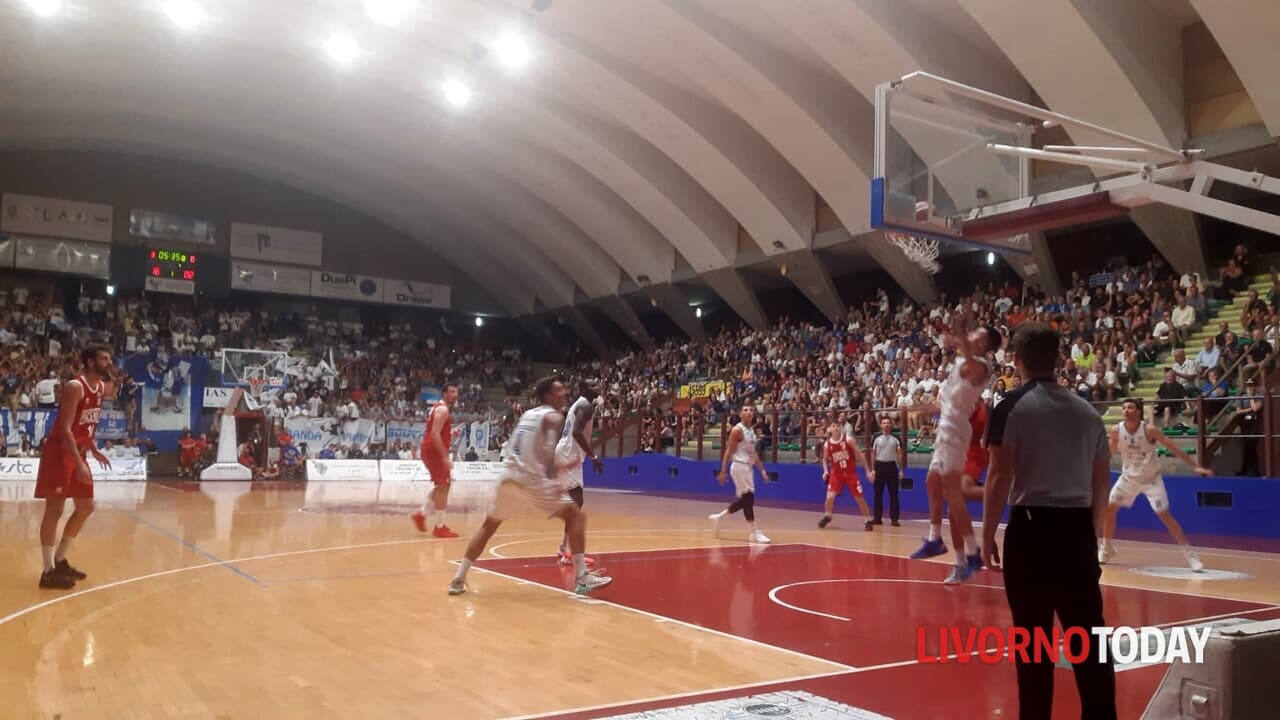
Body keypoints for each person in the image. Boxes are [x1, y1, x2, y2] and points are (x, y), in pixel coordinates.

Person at [982, 322, 1116, 720]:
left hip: (1031, 530)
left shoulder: (1008, 406)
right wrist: (1089, 532)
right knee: (1089, 639)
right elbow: (1101, 482)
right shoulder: (1089, 412)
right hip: (1076, 531)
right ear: (1057, 359)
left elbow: (999, 476)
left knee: (1033, 642)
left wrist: (988, 534)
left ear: (1016, 360)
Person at [448, 376, 612, 596]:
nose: (564, 392)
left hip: (507, 475)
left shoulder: (527, 414)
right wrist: (558, 473)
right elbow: (547, 455)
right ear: (547, 396)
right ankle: (582, 577)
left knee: (489, 526)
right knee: (577, 517)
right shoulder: (553, 417)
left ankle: (458, 578)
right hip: (529, 478)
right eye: (558, 390)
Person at [911, 323, 1002, 585]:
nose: (971, 335)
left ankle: (972, 554)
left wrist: (962, 330)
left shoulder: (980, 366)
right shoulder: (965, 361)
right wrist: (922, 409)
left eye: (977, 334)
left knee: (952, 492)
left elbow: (967, 352)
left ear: (984, 345)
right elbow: (946, 402)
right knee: (932, 482)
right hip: (946, 428)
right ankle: (935, 538)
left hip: (955, 432)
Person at [34, 345, 115, 590]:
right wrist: (78, 461)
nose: (109, 362)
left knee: (86, 506)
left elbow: (85, 426)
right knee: (55, 509)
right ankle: (47, 571)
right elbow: (67, 428)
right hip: (60, 451)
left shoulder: (100, 387)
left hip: (78, 451)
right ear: (90, 362)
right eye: (104, 358)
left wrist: (91, 448)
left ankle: (60, 559)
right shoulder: (75, 387)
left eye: (109, 358)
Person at [1098, 398, 1212, 571]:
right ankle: (1107, 548)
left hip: (1152, 480)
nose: (1125, 410)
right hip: (1128, 478)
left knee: (1164, 515)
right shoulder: (1116, 430)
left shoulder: (1149, 430)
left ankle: (1191, 555)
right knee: (1109, 509)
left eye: (1130, 407)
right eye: (1123, 408)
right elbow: (1110, 452)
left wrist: (1196, 466)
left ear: (1138, 412)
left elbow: (1172, 447)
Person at [553, 381, 605, 565]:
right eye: (592, 385)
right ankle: (568, 551)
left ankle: (563, 548)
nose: (597, 387)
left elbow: (567, 429)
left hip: (566, 452)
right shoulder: (585, 406)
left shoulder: (578, 405)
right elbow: (575, 432)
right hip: (570, 454)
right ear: (583, 389)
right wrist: (594, 456)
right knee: (576, 503)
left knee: (575, 503)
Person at [709, 404, 771, 544]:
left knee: (746, 500)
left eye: (751, 410)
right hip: (738, 466)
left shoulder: (751, 431)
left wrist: (762, 470)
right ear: (740, 414)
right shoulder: (737, 430)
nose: (749, 412)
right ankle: (753, 532)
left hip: (747, 468)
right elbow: (728, 451)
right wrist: (723, 471)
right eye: (745, 410)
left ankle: (719, 518)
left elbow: (753, 453)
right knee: (749, 499)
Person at [412, 383, 459, 538]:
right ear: (444, 393)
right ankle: (439, 527)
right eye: (452, 391)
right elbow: (434, 434)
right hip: (434, 451)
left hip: (432, 450)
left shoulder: (439, 408)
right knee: (443, 485)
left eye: (456, 392)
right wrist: (444, 456)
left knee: (444, 485)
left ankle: (421, 514)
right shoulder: (442, 409)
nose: (455, 394)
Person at [818, 422, 873, 530]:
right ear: (829, 429)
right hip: (836, 474)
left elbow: (860, 456)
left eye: (838, 426)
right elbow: (824, 459)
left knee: (859, 498)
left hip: (850, 473)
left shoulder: (848, 440)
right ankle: (828, 515)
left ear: (841, 428)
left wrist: (867, 471)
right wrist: (825, 471)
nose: (836, 428)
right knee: (829, 497)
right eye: (833, 426)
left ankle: (867, 520)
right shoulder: (827, 444)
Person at [868, 416, 901, 527]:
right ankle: (877, 518)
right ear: (881, 425)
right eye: (884, 423)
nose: (886, 424)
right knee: (878, 494)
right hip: (879, 466)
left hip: (891, 467)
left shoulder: (896, 439)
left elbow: (899, 454)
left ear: (891, 425)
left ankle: (894, 518)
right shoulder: (876, 438)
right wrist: (872, 469)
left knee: (894, 494)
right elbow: (873, 454)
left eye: (888, 422)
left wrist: (901, 470)